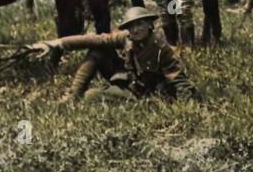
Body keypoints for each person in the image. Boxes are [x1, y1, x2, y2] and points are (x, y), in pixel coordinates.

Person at [30, 6, 196, 102]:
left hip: (145, 93)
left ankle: (86, 96)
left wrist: (186, 106)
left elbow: (178, 79)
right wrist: (57, 43)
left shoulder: (160, 48)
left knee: (91, 96)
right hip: (129, 81)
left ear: (149, 25)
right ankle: (72, 96)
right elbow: (94, 39)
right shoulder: (127, 38)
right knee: (98, 50)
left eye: (140, 24)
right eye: (131, 26)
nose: (135, 29)